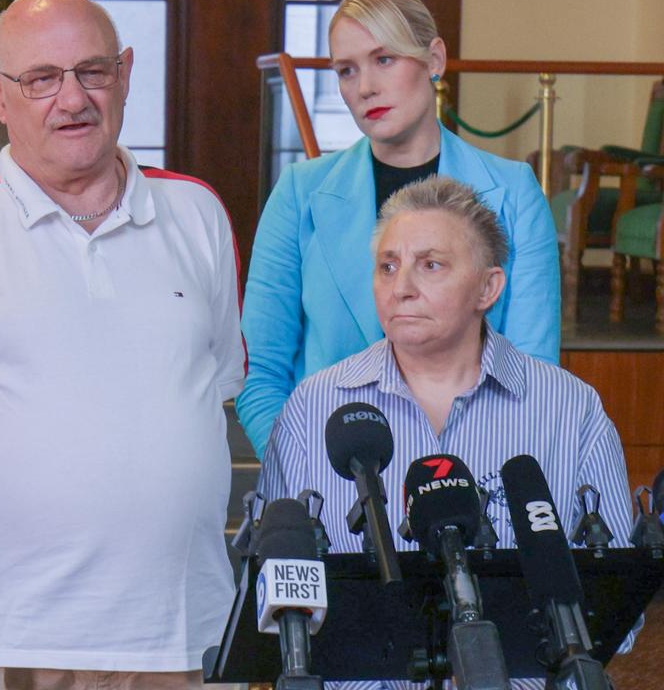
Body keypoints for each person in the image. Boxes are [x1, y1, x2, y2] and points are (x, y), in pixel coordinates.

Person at [0, 0, 245, 690]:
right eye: (41, 78)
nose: (72, 100)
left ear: (126, 73)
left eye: (92, 72)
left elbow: (212, 391)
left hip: (178, 637)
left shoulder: (197, 214)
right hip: (2, 640)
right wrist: (18, 532)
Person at [256, 176, 633, 690]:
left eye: (430, 265)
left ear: (488, 288)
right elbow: (273, 595)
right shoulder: (313, 407)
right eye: (388, 266)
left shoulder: (570, 409)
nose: (401, 286)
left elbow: (620, 609)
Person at [237, 0, 559, 458]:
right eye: (346, 70)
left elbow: (534, 375)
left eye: (383, 59)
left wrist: (466, 481)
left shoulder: (513, 193)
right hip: (329, 485)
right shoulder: (299, 194)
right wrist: (306, 473)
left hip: (477, 483)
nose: (364, 87)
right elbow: (260, 372)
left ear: (434, 59)